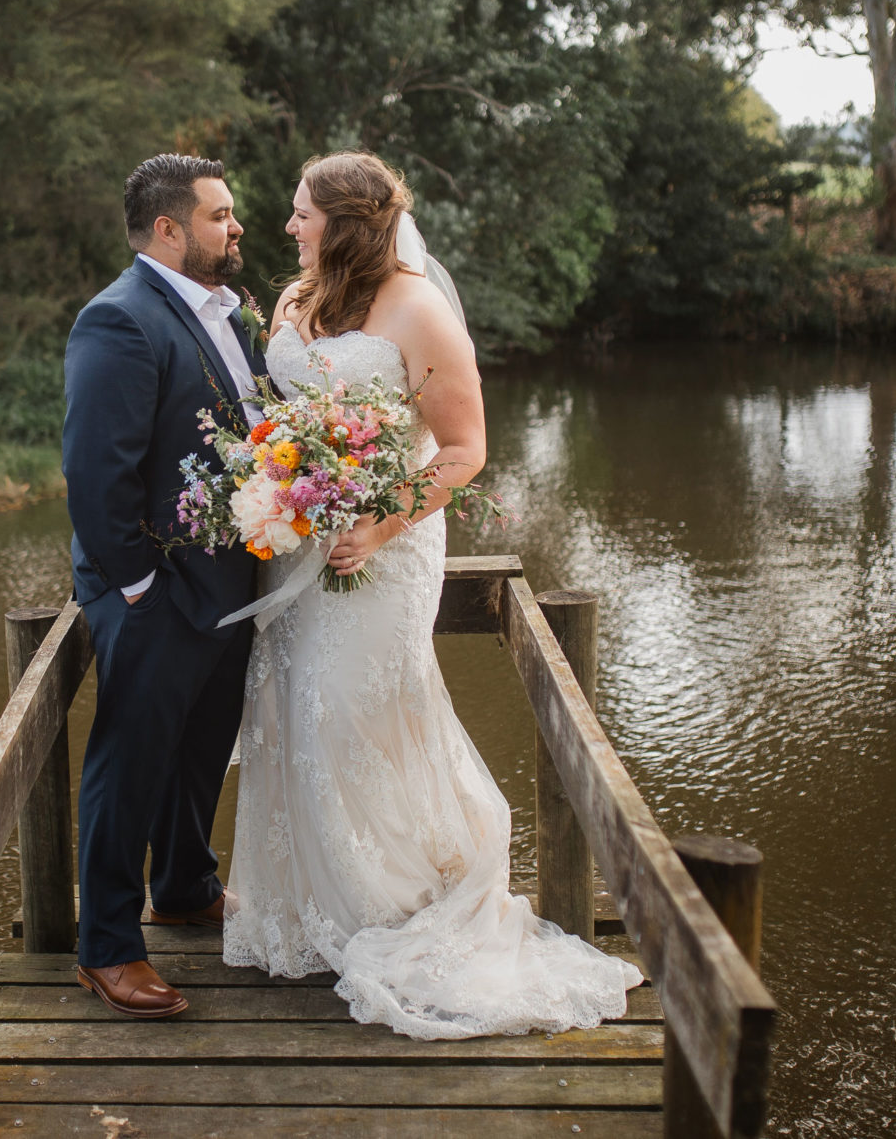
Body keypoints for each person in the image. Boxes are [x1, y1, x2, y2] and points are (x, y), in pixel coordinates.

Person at [223, 150, 641, 1038]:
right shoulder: (295, 301)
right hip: (297, 550)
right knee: (294, 712)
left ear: (347, 222)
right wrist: (280, 482)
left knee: (355, 715)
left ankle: (388, 901)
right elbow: (281, 418)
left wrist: (374, 523)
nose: (288, 225)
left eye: (302, 212)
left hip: (384, 552)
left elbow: (462, 450)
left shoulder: (418, 308)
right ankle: (303, 910)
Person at [60, 154, 267, 1018]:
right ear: (170, 229)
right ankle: (106, 944)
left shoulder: (228, 313)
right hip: (154, 590)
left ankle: (184, 883)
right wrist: (139, 586)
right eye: (221, 215)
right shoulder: (118, 320)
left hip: (227, 580)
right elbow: (94, 473)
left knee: (201, 750)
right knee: (130, 762)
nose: (238, 228)